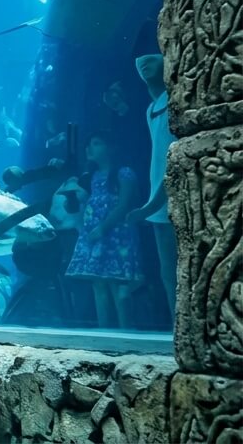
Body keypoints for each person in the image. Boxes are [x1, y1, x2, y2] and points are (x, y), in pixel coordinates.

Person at [63, 132, 143, 329]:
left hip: (116, 237)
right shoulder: (91, 177)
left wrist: (102, 228)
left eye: (97, 143)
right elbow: (83, 205)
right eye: (89, 144)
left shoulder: (124, 173)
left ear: (111, 148)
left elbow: (124, 205)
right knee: (98, 285)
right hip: (94, 236)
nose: (90, 148)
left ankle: (126, 337)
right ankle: (103, 333)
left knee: (118, 287)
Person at [125, 53, 177, 315]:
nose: (143, 63)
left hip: (172, 197)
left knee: (181, 269)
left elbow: (174, 158)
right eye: (140, 62)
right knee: (168, 271)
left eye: (152, 60)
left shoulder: (175, 101)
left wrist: (149, 206)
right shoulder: (151, 109)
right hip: (158, 202)